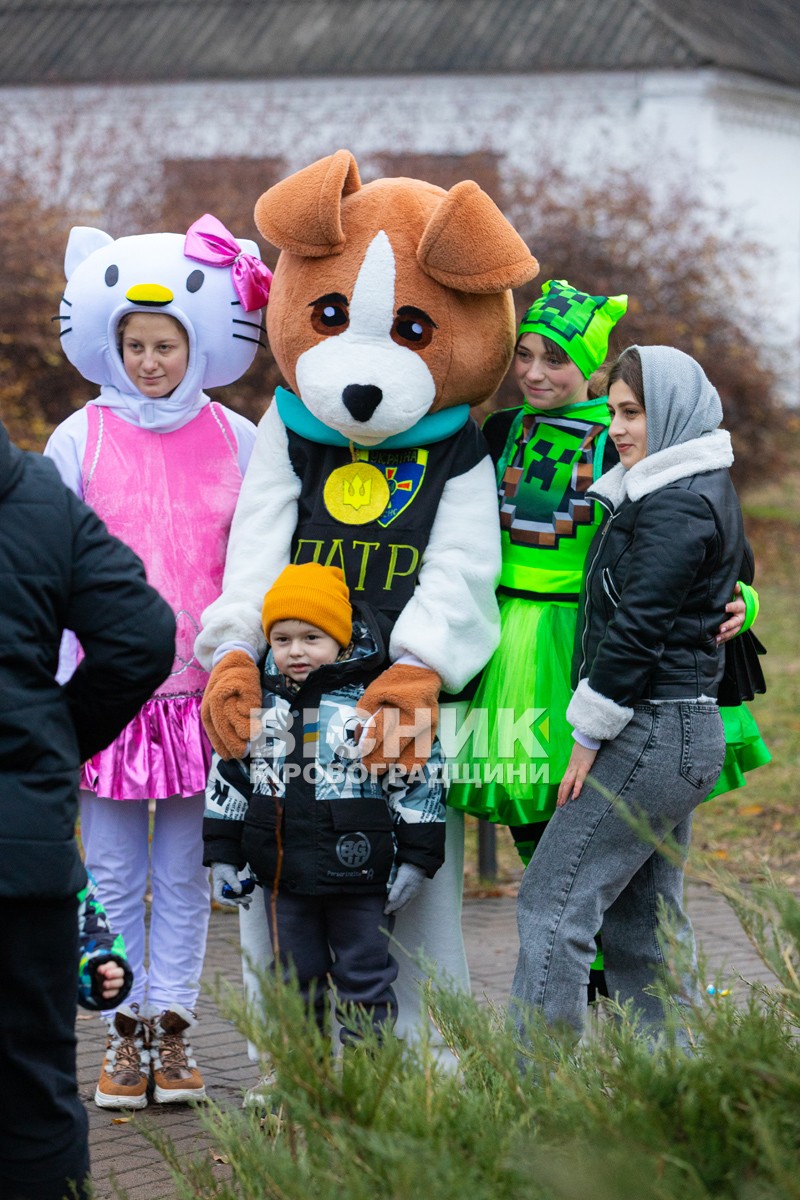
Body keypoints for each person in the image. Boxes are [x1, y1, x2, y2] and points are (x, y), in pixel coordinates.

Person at [44, 218, 269, 1108]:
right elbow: (51, 561)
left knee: (186, 875)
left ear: (195, 345)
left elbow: (256, 557)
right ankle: (119, 1036)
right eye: (133, 345)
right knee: (107, 878)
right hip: (105, 695)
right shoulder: (78, 438)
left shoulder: (238, 438)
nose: (148, 361)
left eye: (165, 344)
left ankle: (171, 1032)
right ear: (112, 344)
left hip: (199, 696)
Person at [510, 344, 745, 1044]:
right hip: (678, 730)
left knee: (553, 904)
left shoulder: (675, 505)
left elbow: (639, 629)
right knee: (640, 924)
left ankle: (537, 1096)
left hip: (650, 728)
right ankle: (679, 1091)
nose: (617, 427)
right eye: (613, 411)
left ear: (671, 413)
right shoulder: (687, 490)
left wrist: (589, 734)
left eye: (633, 413)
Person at [0, 417, 175, 1200]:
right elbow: (140, 633)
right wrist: (51, 741)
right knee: (33, 1089)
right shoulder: (36, 494)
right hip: (21, 849)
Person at [203, 563, 447, 1049]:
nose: (296, 651)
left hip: (361, 875)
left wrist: (418, 858)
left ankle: (365, 1087)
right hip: (282, 874)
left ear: (340, 640)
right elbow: (229, 775)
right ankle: (305, 1090)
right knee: (293, 982)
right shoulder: (256, 703)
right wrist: (223, 854)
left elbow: (418, 777)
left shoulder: (374, 703)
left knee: (365, 981)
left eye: (312, 637)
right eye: (283, 638)